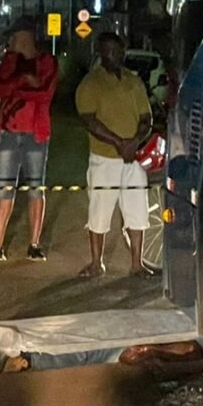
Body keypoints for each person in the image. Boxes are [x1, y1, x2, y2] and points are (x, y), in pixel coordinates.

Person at [0, 16, 57, 263]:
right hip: (8, 131)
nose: (10, 41)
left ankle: (34, 243)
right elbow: (0, 88)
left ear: (26, 37)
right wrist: (24, 81)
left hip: (35, 132)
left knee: (36, 187)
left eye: (14, 36)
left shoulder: (46, 61)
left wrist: (17, 86)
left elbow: (45, 92)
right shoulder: (9, 61)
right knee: (3, 186)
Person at [75, 31, 154, 278]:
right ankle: (96, 263)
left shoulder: (134, 81)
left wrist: (135, 142)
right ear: (100, 52)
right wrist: (120, 142)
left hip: (133, 159)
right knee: (99, 211)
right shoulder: (91, 84)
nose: (114, 55)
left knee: (137, 211)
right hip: (104, 159)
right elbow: (89, 121)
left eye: (118, 51)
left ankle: (137, 264)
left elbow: (146, 117)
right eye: (108, 51)